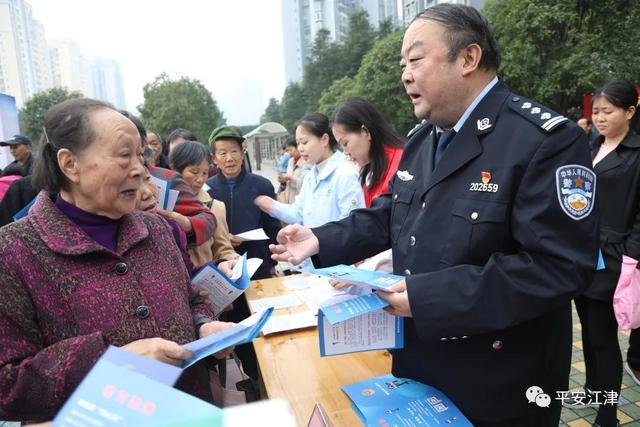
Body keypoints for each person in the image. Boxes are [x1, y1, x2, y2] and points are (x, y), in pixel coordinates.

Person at [269, 4, 599, 426]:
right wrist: (320, 238)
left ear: (468, 58)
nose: (405, 74)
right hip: (422, 367)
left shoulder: (542, 140)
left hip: (499, 380)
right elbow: (392, 214)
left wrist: (428, 298)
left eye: (416, 60)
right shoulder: (424, 139)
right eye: (402, 64)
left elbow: (559, 267)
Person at [0, 98, 235, 422]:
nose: (140, 170)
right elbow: (8, 387)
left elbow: (192, 298)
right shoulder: (14, 252)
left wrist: (204, 326)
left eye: (141, 155)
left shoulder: (157, 229)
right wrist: (111, 363)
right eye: (124, 156)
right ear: (70, 164)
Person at [570, 82, 640, 427]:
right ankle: (592, 387)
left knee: (603, 337)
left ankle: (608, 413)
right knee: (586, 327)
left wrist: (631, 256)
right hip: (583, 253)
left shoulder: (636, 153)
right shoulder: (590, 144)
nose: (599, 117)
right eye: (595, 111)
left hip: (613, 258)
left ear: (629, 112)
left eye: (607, 111)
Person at [120, 112, 216, 249]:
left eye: (138, 152)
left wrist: (186, 224)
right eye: (123, 153)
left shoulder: (167, 179)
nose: (147, 193)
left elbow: (207, 219)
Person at [255, 113, 365, 228]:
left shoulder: (345, 173)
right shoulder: (310, 177)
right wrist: (272, 206)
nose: (300, 149)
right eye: (298, 144)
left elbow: (352, 226)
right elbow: (298, 213)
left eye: (304, 142)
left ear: (324, 140)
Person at [206, 125, 280, 279]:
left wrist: (272, 263)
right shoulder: (206, 191)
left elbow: (273, 227)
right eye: (222, 153)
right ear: (214, 158)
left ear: (242, 152)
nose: (229, 158)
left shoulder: (262, 185)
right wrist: (224, 240)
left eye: (234, 151)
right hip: (223, 268)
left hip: (258, 264)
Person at [170, 140, 239, 265]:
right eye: (194, 172)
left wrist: (235, 261)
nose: (200, 179)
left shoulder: (215, 207)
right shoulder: (161, 203)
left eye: (205, 173)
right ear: (176, 171)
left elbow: (223, 249)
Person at [331, 97, 404, 207]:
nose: (346, 152)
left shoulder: (403, 164)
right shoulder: (369, 175)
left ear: (365, 131)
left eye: (345, 143)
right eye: (341, 147)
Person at [278, 136, 309, 204]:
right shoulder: (290, 161)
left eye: (290, 150)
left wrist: (290, 178)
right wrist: (283, 181)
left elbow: (306, 184)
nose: (289, 153)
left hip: (299, 202)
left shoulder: (306, 163)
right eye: (287, 150)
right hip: (288, 200)